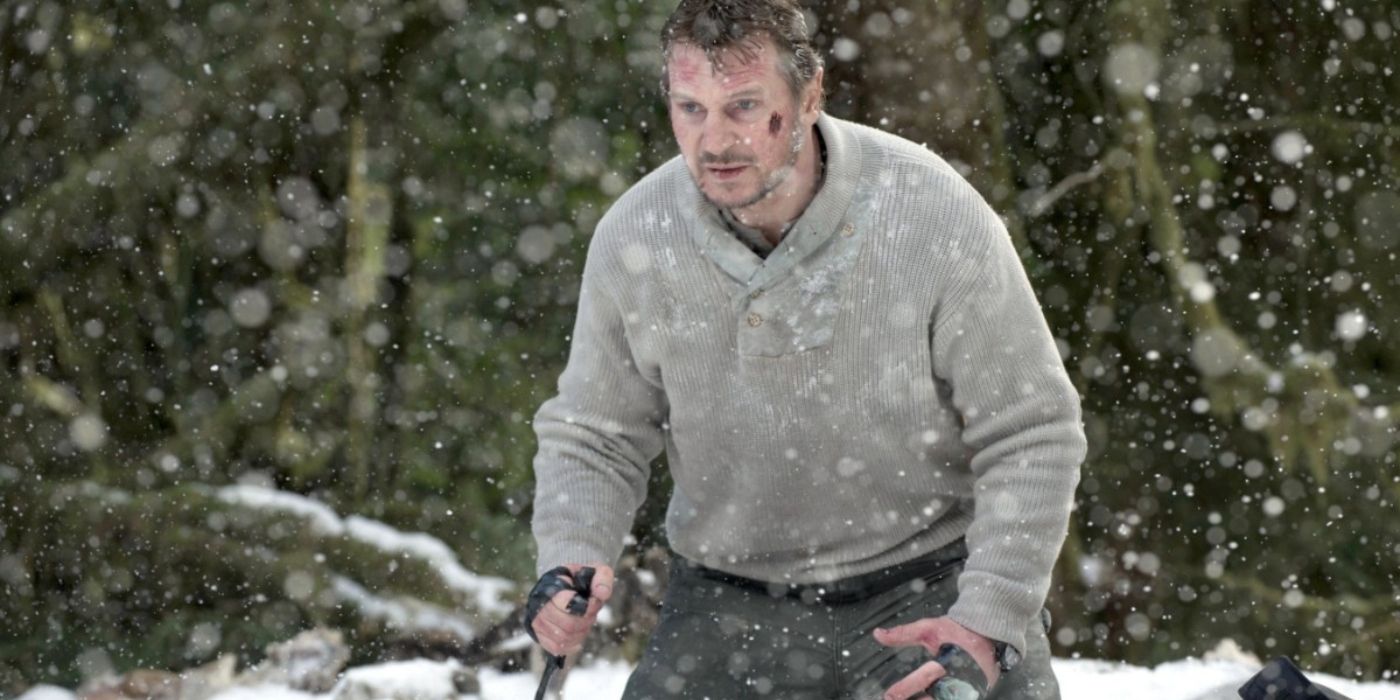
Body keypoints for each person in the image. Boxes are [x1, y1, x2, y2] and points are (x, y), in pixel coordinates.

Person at [525, 0, 1086, 698]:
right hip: (727, 604)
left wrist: (988, 620)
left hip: (926, 585)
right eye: (690, 109)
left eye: (744, 106)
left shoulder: (930, 210)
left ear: (811, 93)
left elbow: (1032, 430)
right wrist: (573, 555)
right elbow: (595, 435)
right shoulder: (637, 236)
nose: (715, 141)